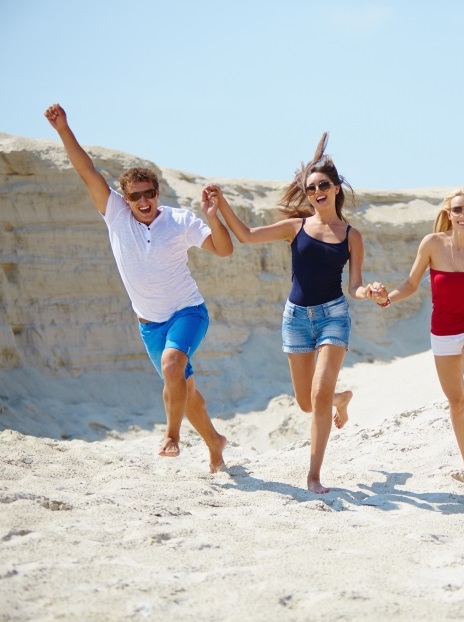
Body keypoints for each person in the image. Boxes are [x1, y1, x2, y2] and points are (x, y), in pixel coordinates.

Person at [43, 103, 232, 473]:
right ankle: (215, 443)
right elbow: (86, 170)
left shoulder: (179, 220)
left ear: (157, 192)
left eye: (149, 193)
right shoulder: (114, 214)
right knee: (185, 391)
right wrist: (64, 129)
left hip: (187, 311)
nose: (144, 201)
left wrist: (212, 216)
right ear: (124, 198)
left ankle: (172, 437)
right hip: (149, 323)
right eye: (135, 196)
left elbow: (224, 250)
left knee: (172, 364)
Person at [213, 133, 376, 494]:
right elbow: (247, 235)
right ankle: (339, 399)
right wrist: (222, 204)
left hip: (334, 315)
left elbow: (355, 286)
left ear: (336, 188)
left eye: (323, 185)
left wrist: (370, 292)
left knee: (317, 396)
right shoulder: (296, 227)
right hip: (296, 319)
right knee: (307, 402)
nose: (316, 192)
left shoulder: (352, 236)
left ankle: (314, 475)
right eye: (310, 188)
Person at [371, 188, 464, 486]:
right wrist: (387, 299)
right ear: (448, 213)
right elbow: (410, 283)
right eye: (457, 210)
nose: (463, 215)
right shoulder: (432, 243)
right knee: (456, 402)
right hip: (443, 331)